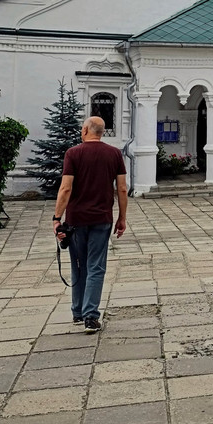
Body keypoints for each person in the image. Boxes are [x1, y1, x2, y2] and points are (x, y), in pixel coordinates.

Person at [52, 116, 127, 333]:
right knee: (96, 266)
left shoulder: (73, 153)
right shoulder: (114, 153)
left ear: (85, 130)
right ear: (101, 132)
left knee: (78, 265)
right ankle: (90, 316)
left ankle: (78, 311)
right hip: (102, 218)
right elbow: (122, 188)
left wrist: (57, 218)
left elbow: (66, 188)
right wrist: (122, 217)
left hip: (76, 219)